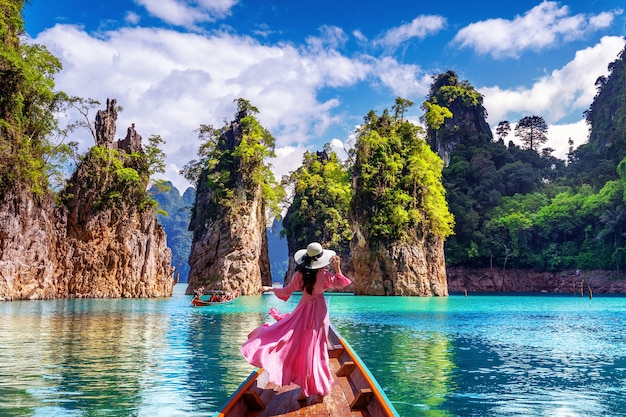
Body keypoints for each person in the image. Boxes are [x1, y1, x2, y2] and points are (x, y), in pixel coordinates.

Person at [240, 242, 352, 401]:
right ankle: (313, 386)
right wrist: (338, 268)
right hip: (319, 313)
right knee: (316, 349)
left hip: (303, 311)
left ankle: (304, 388)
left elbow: (286, 291)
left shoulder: (299, 276)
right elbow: (341, 284)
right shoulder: (325, 275)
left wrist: (270, 289)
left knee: (297, 343)